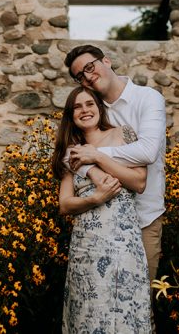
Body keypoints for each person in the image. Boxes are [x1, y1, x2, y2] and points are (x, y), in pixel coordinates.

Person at [51, 86, 153, 334]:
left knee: (125, 304)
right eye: (77, 106)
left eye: (90, 104)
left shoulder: (123, 134)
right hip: (86, 243)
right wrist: (95, 198)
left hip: (122, 238)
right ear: (70, 115)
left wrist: (95, 156)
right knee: (89, 309)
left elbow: (139, 182)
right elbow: (65, 204)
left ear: (99, 108)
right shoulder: (69, 151)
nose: (85, 110)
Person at [64, 45, 166, 282]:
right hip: (101, 222)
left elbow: (148, 151)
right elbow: (68, 152)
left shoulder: (147, 98)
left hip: (144, 217)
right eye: (80, 76)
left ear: (107, 61)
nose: (88, 77)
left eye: (90, 67)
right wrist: (89, 168)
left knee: (140, 299)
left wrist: (96, 155)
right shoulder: (91, 108)